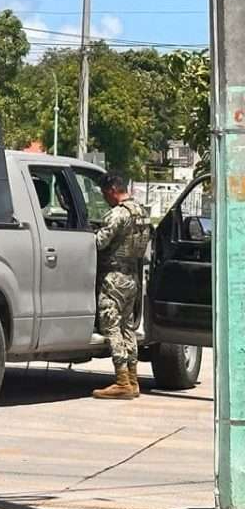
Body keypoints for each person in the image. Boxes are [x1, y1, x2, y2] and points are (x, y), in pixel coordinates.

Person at [91, 171, 152, 400]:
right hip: (132, 278)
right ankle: (133, 381)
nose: (105, 198)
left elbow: (99, 243)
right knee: (128, 329)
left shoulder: (117, 215)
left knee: (112, 328)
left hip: (114, 278)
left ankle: (122, 382)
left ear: (112, 191)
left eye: (105, 194)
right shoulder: (141, 213)